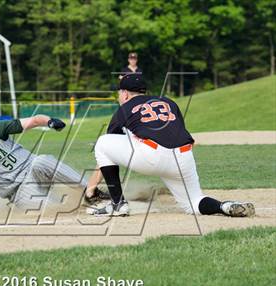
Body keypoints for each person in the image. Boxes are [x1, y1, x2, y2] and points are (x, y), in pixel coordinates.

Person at [88, 74, 255, 217]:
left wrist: (91, 188)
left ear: (124, 94)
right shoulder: (168, 102)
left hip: (152, 156)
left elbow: (108, 155)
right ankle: (224, 206)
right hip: (184, 157)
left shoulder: (124, 109)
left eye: (119, 92)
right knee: (194, 203)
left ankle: (118, 204)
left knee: (102, 142)